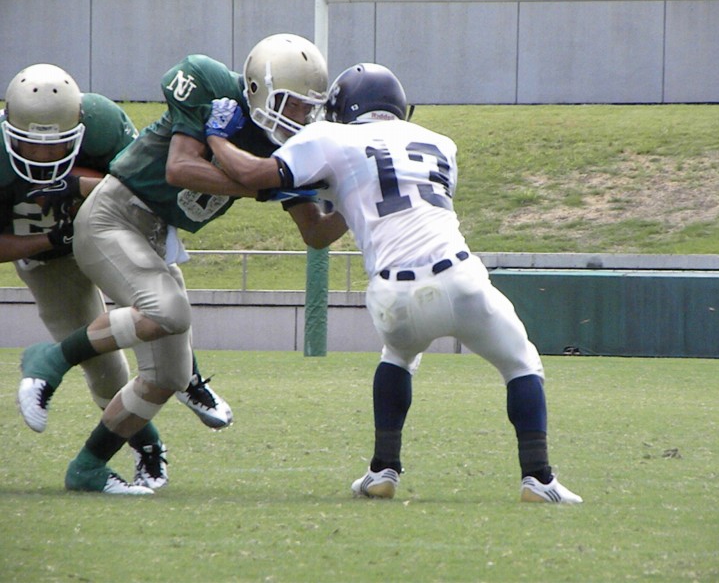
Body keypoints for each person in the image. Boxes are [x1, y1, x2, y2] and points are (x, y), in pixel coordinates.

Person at [204, 63, 583, 504]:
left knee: (398, 355)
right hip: (459, 278)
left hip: (392, 295)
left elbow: (256, 177)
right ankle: (538, 479)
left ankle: (383, 470)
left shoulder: (327, 137)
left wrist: (215, 136)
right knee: (521, 363)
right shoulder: (441, 144)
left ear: (344, 109)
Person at [16, 34, 339, 495]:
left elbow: (316, 233)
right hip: (113, 215)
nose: (300, 116)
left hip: (154, 239)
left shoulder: (288, 148)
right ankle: (51, 358)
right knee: (169, 310)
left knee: (168, 375)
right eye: (292, 103)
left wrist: (354, 197)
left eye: (309, 107)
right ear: (256, 89)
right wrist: (263, 183)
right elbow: (180, 168)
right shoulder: (211, 84)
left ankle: (88, 466)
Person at [2, 64, 233, 492]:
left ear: (80, 126)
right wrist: (48, 238)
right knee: (107, 372)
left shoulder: (103, 123)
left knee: (163, 307)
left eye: (57, 144)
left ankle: (189, 378)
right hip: (47, 260)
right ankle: (146, 447)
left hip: (113, 229)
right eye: (30, 144)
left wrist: (77, 184)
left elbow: (138, 185)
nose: (44, 156)